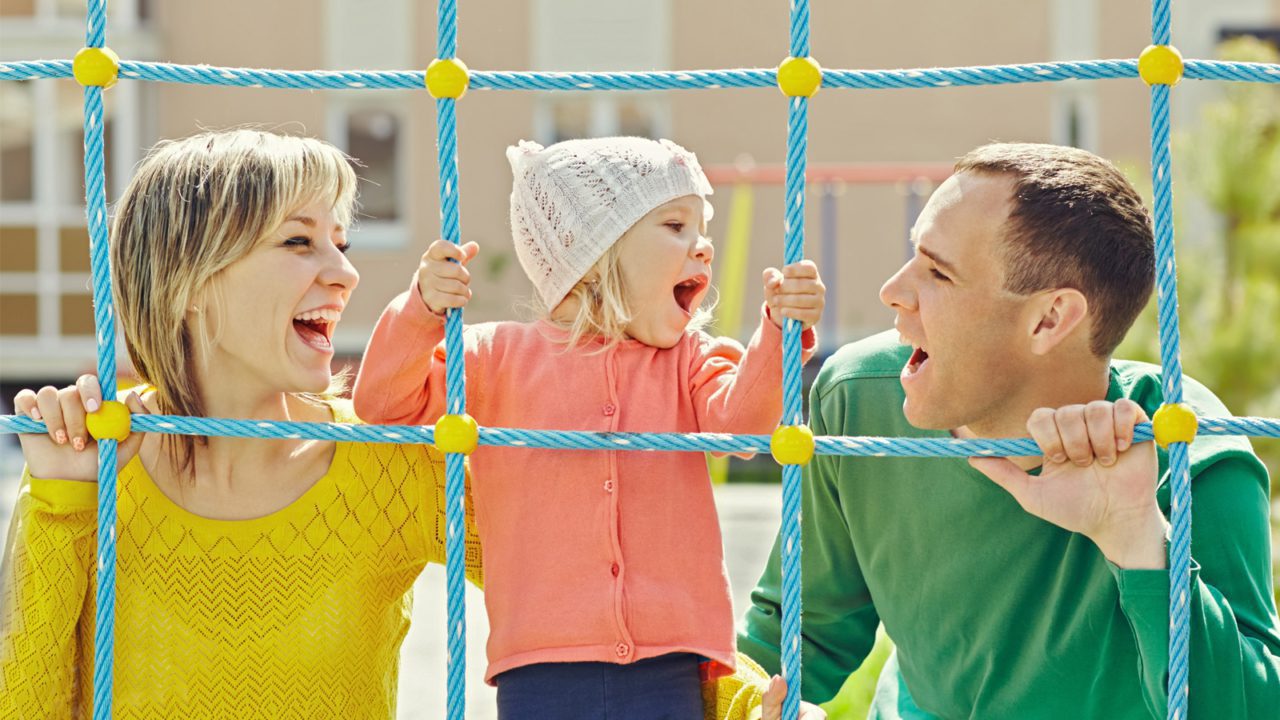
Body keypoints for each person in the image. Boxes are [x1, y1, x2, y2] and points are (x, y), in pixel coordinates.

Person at [739, 143, 1280, 719]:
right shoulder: (858, 401)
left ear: (1050, 319)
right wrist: (753, 706)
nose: (892, 291)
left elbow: (1248, 707)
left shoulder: (1189, 448)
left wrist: (1138, 539)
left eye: (938, 272)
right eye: (912, 256)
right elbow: (790, 642)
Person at [0, 130, 484, 719]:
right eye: (298, 241)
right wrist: (62, 503)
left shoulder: (390, 458)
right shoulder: (92, 461)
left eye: (341, 242)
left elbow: (586, 595)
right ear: (191, 281)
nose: (346, 274)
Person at [353, 136, 828, 719]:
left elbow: (742, 423)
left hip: (670, 661)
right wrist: (422, 311)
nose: (703, 247)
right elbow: (383, 404)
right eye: (676, 226)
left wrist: (778, 335)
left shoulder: (689, 359)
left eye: (702, 229)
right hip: (541, 665)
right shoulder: (493, 356)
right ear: (595, 253)